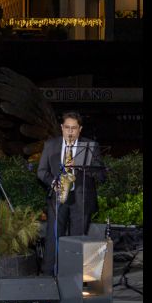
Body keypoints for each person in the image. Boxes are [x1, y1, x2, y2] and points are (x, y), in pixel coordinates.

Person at [37, 111, 105, 276]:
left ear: (80, 129)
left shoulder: (90, 146)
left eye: (74, 128)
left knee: (78, 240)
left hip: (81, 200)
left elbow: (102, 175)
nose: (70, 132)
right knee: (54, 238)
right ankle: (48, 275)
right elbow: (41, 172)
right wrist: (55, 183)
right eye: (67, 127)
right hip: (58, 198)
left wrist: (83, 166)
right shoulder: (51, 145)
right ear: (61, 127)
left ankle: (74, 275)